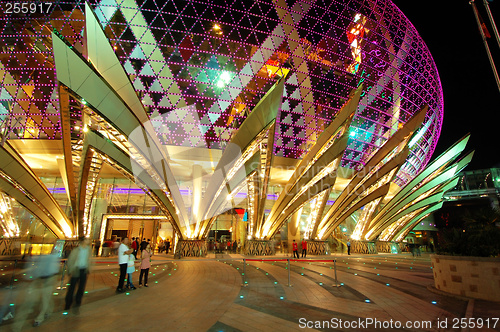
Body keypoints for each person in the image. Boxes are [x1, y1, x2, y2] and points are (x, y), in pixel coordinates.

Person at [65, 237, 92, 313]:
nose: (89, 241)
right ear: (83, 241)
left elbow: (89, 260)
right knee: (72, 287)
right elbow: (71, 260)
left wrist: (89, 268)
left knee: (81, 287)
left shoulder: (89, 250)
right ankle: (68, 302)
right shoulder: (76, 250)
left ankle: (78, 301)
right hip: (76, 269)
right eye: (87, 239)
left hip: (84, 270)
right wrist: (70, 270)